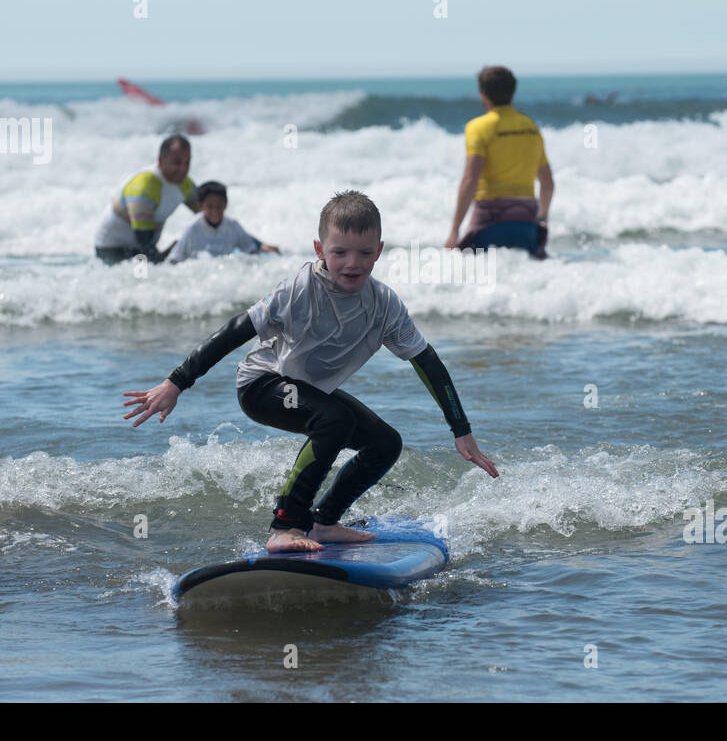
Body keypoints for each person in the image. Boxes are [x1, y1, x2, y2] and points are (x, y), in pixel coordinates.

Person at [123, 191, 499, 552]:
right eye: (339, 252)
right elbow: (235, 331)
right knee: (334, 420)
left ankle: (325, 522)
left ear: (379, 250)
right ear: (319, 249)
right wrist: (177, 382)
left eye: (365, 253)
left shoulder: (384, 304)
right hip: (262, 385)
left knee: (385, 444)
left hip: (307, 391)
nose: (352, 263)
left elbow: (427, 361)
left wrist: (461, 430)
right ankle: (284, 526)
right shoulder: (300, 289)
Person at [445, 66, 554, 258]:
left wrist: (455, 230)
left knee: (462, 268)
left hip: (489, 222)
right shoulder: (531, 128)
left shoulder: (479, 128)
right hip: (526, 224)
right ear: (513, 92)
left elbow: (470, 179)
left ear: (483, 94)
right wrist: (542, 218)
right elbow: (547, 182)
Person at [94, 134, 199, 264]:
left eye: (187, 162)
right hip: (111, 249)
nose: (183, 168)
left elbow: (208, 213)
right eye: (177, 162)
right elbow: (144, 243)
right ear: (161, 160)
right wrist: (166, 264)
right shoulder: (144, 187)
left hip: (141, 248)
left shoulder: (185, 184)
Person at [165, 181, 279, 263]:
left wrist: (264, 249)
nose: (215, 211)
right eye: (210, 206)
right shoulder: (192, 229)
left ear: (226, 205)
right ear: (200, 206)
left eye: (219, 206)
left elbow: (251, 250)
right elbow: (175, 258)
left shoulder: (232, 225)